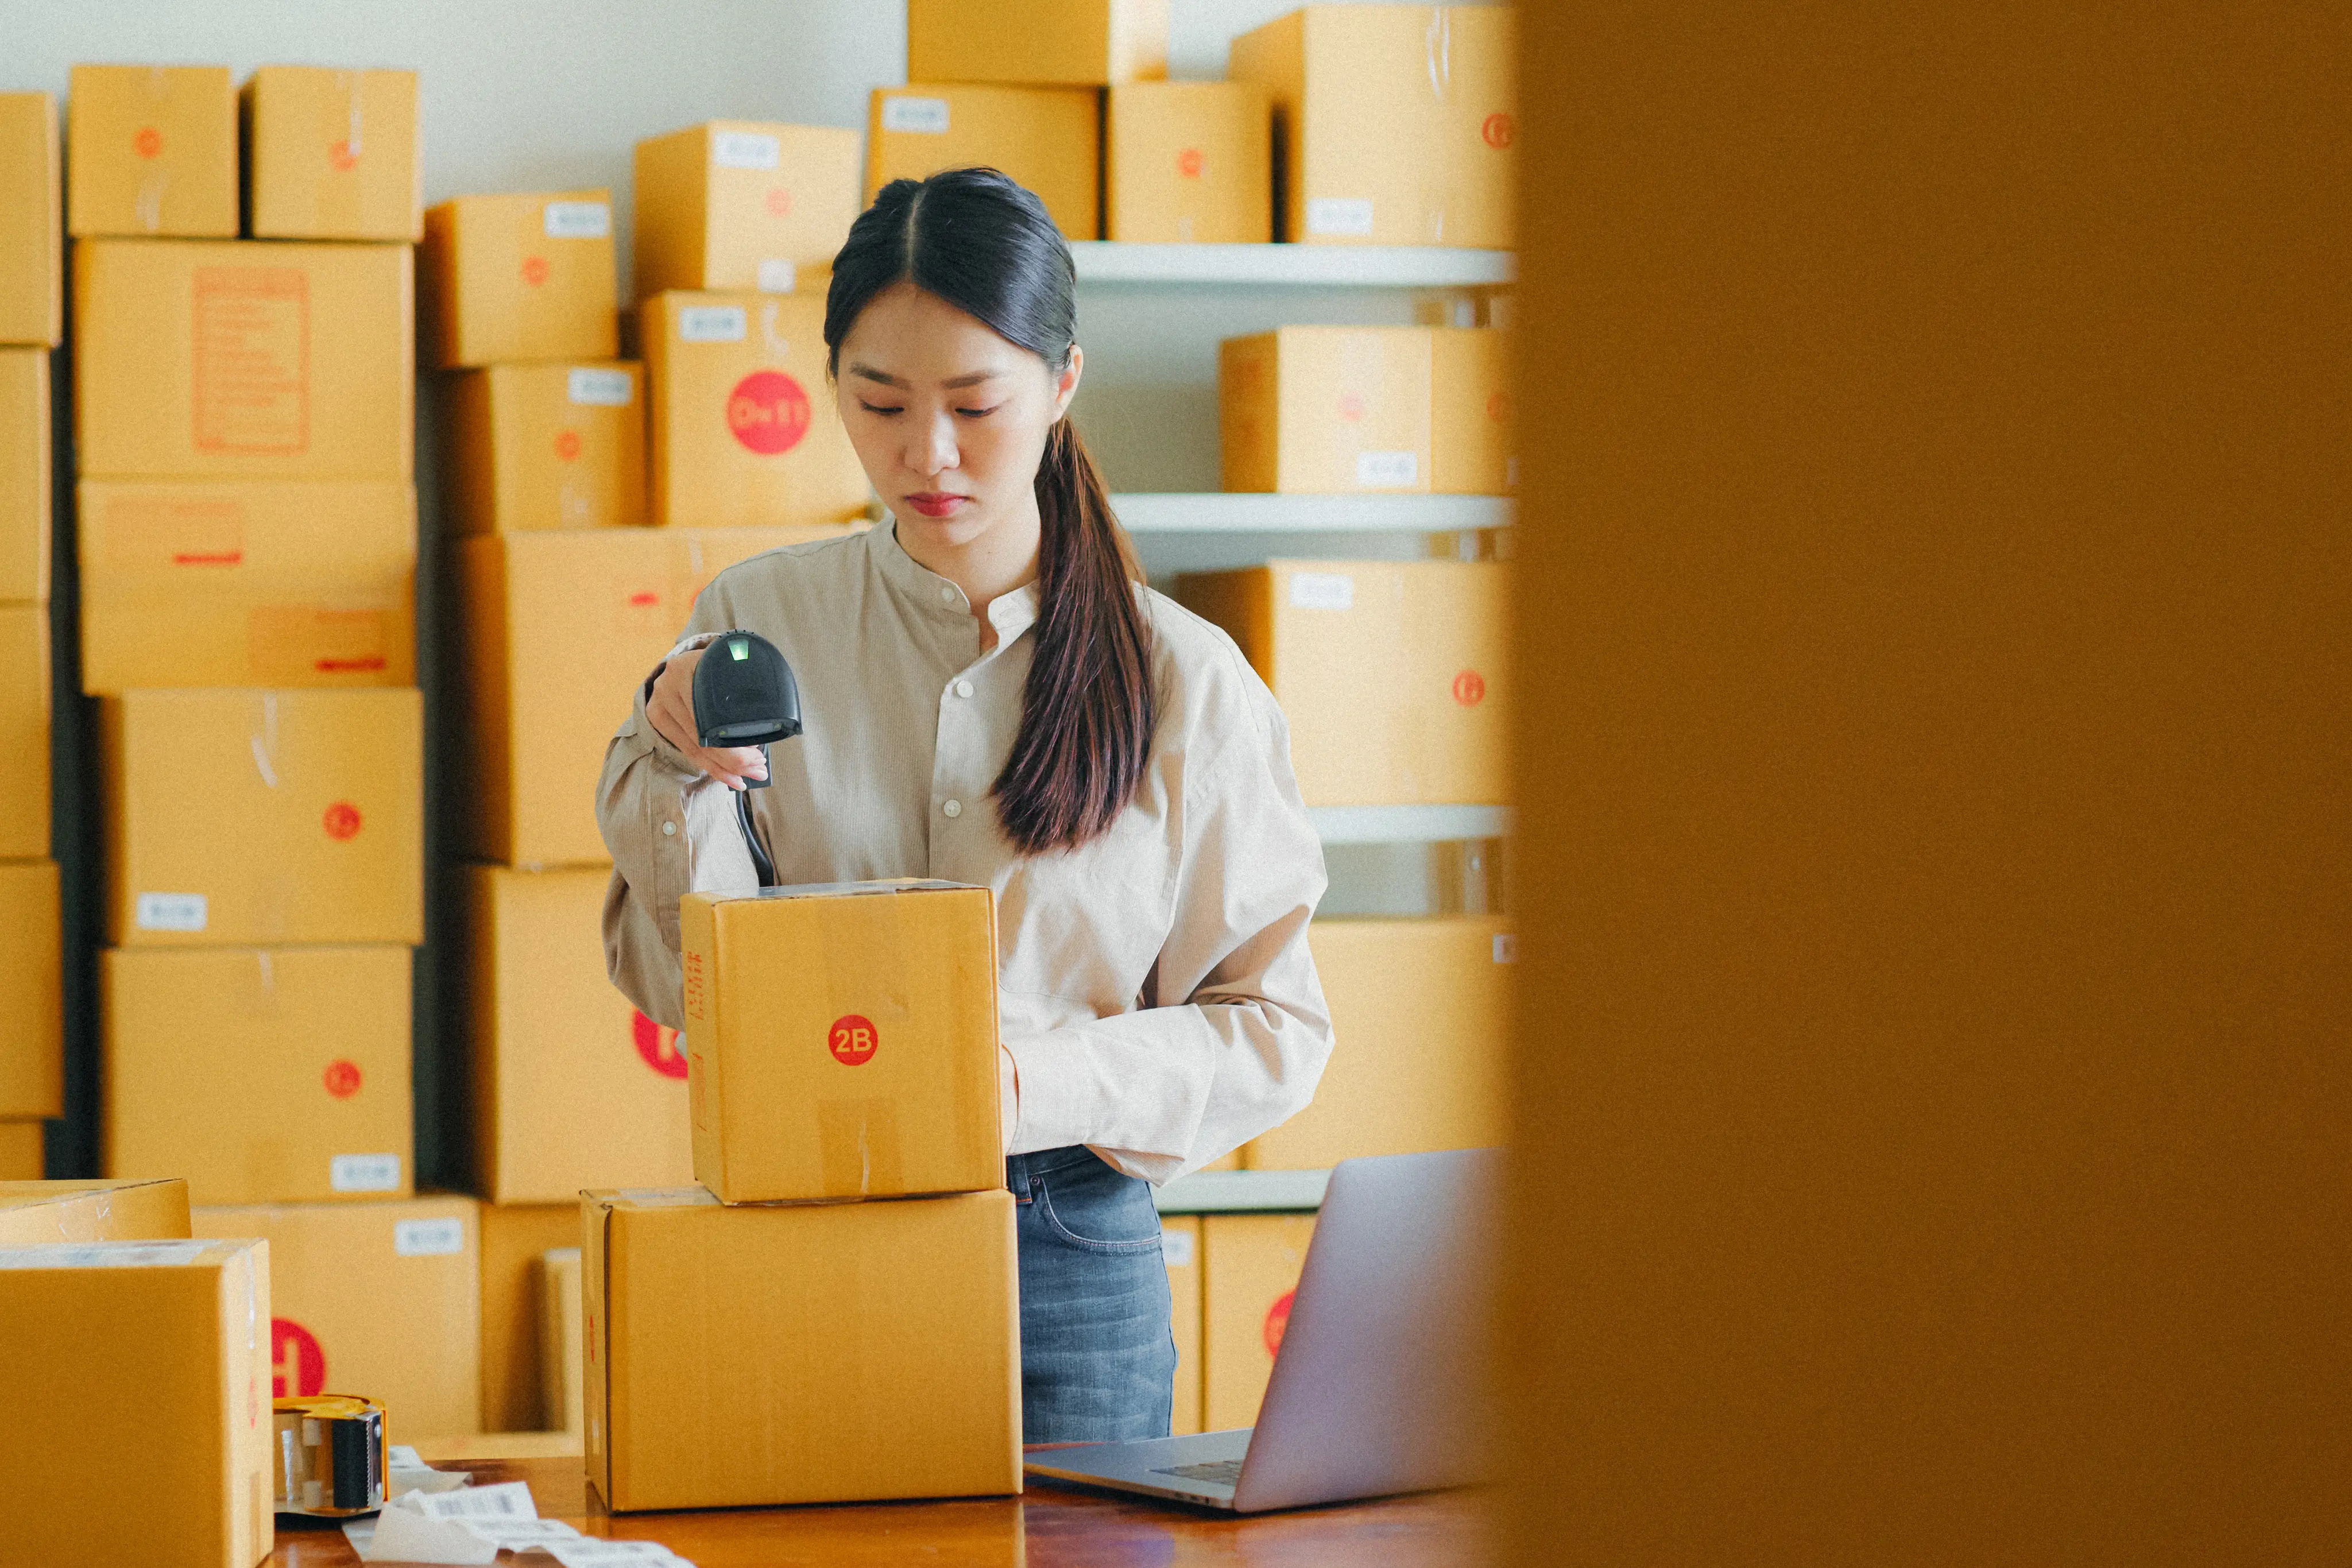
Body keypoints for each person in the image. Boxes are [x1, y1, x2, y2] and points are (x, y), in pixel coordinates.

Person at [597, 167, 1333, 1444]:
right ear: (833, 387)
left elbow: (1273, 1027)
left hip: (1069, 1242)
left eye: (974, 405)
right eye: (878, 403)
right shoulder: (754, 625)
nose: (924, 454)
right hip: (800, 1218)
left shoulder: (1182, 678)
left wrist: (1018, 1086)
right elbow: (682, 990)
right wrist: (669, 770)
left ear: (1060, 384)